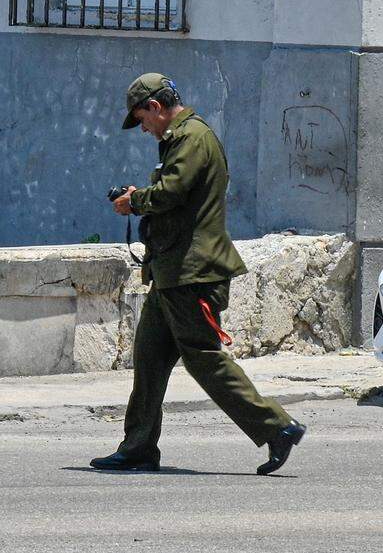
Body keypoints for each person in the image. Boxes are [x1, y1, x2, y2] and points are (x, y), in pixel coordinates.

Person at [91, 73, 305, 474]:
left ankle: (278, 427)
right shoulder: (183, 139)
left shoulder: (190, 137)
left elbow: (172, 192)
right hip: (172, 272)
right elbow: (176, 194)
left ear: (155, 107)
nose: (143, 129)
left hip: (191, 273)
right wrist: (141, 198)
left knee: (204, 357)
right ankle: (137, 447)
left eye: (142, 119)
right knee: (149, 359)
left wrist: (134, 201)